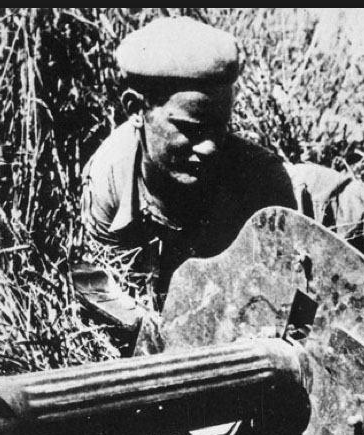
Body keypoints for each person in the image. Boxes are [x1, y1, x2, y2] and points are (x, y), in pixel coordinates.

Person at [73, 17, 297, 346]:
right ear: (136, 109)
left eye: (220, 127)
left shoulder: (263, 180)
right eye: (191, 129)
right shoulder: (109, 179)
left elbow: (280, 300)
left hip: (316, 204)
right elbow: (102, 286)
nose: (210, 147)